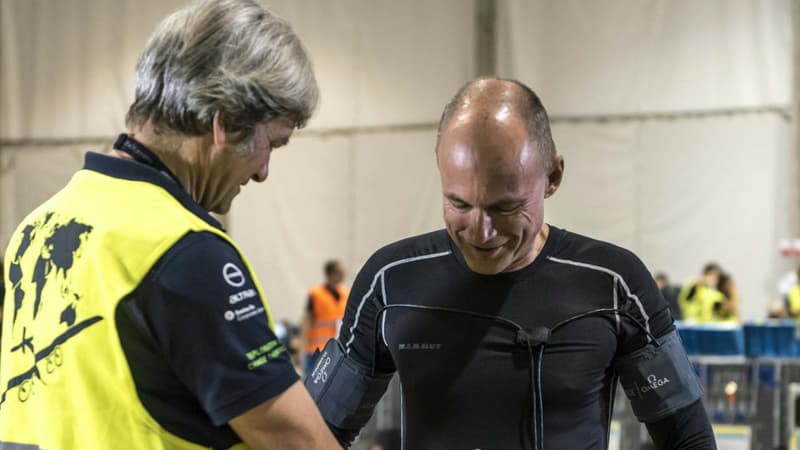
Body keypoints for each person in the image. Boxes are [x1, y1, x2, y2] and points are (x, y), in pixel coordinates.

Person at [0, 1, 340, 449]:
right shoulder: (182, 249)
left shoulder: (38, 227)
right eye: (271, 145)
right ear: (224, 123)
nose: (262, 173)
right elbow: (301, 443)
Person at [305, 77, 715, 449]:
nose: (481, 232)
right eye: (459, 203)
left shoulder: (614, 283)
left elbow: (688, 437)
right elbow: (317, 433)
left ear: (552, 177)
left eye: (505, 207)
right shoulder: (390, 282)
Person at [302, 259, 349, 374]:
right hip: (316, 351)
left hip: (338, 351)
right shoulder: (316, 294)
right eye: (339, 272)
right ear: (330, 274)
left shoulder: (346, 293)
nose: (343, 275)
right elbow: (306, 323)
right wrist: (302, 353)